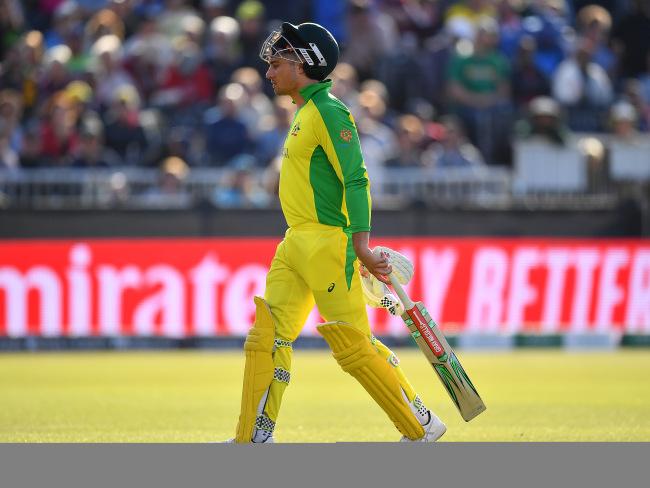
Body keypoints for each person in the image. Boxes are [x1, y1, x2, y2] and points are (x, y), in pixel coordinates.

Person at [226, 21, 446, 444]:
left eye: (277, 63)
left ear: (304, 64)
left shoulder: (329, 110)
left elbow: (357, 179)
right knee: (266, 338)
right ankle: (251, 438)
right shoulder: (305, 113)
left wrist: (360, 246)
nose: (269, 72)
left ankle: (420, 424)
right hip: (294, 243)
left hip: (329, 242)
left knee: (353, 346)